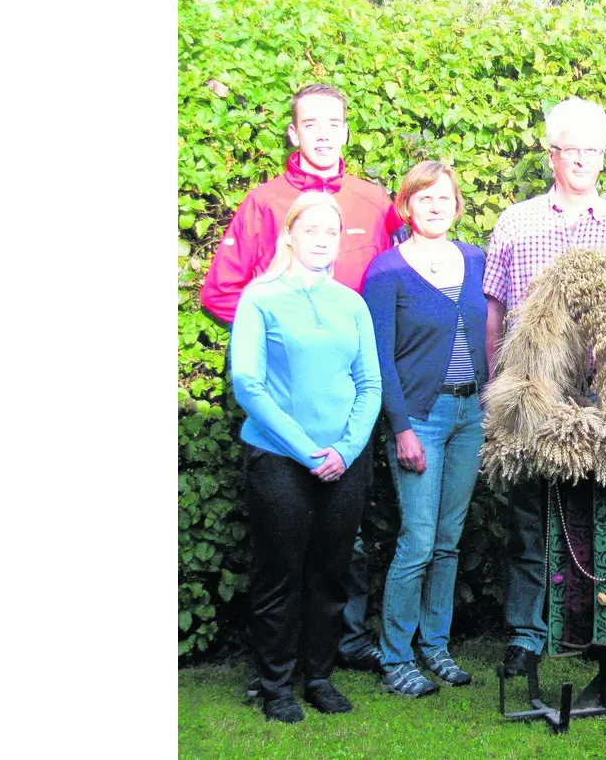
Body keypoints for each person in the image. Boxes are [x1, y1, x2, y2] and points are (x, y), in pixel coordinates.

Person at [201, 83, 401, 680]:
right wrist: (284, 333)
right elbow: (221, 292)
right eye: (308, 122)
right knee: (285, 560)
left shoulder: (373, 200)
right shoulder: (265, 202)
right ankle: (281, 675)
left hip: (352, 415)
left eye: (332, 122)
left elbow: (392, 286)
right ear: (293, 132)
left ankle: (334, 653)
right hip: (285, 421)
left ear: (345, 129)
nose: (321, 132)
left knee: (343, 552)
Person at [484, 97, 606, 680]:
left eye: (594, 150)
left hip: (601, 393)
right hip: (532, 390)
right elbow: (495, 312)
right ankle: (528, 636)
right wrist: (498, 387)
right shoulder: (517, 222)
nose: (583, 159)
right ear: (551, 154)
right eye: (572, 148)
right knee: (532, 520)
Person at [229, 191, 382, 723]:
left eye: (331, 232)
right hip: (279, 459)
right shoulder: (261, 298)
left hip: (344, 461)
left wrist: (343, 450)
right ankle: (275, 686)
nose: (321, 239)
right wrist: (306, 450)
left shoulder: (352, 303)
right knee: (280, 574)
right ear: (289, 234)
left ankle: (318, 677)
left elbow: (370, 384)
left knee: (332, 574)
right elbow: (247, 382)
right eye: (311, 229)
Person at [362, 161, 489, 698]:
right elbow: (380, 359)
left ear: (456, 205)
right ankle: (396, 656)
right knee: (416, 540)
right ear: (407, 206)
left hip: (471, 414)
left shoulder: (475, 259)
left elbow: (493, 331)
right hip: (421, 418)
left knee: (447, 539)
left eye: (445, 198)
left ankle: (435, 644)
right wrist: (400, 429)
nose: (436, 207)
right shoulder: (387, 270)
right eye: (424, 198)